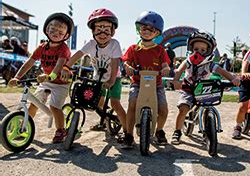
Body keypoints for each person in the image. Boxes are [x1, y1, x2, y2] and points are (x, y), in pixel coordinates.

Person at [61, 8, 127, 139]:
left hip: (114, 78)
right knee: (97, 103)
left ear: (112, 31)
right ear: (93, 31)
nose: (102, 34)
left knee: (115, 104)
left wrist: (112, 81)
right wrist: (66, 67)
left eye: (106, 30)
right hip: (98, 79)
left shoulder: (114, 44)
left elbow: (115, 64)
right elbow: (78, 55)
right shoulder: (91, 44)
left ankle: (127, 132)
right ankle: (105, 119)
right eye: (98, 30)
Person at [8, 13, 74, 143]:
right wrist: (17, 77)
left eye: (61, 32)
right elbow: (29, 62)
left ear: (66, 35)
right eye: (53, 29)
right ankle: (25, 127)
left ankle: (61, 130)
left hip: (61, 82)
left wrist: (51, 76)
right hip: (46, 81)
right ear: (46, 29)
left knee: (55, 107)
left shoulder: (63, 49)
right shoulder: (42, 47)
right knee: (34, 103)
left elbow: (59, 66)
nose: (56, 33)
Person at [171, 30, 240, 144]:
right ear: (191, 49)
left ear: (209, 51)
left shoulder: (210, 64)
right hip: (188, 87)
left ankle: (207, 131)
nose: (199, 52)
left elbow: (223, 72)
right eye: (196, 49)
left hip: (202, 89)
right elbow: (179, 71)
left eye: (203, 50)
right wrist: (176, 80)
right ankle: (177, 131)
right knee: (183, 108)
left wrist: (233, 79)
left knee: (207, 106)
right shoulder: (188, 61)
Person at [121, 11, 170, 148]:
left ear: (157, 33)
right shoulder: (133, 49)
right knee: (132, 103)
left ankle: (159, 131)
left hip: (157, 84)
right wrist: (127, 66)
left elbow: (165, 64)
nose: (147, 31)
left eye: (151, 29)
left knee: (163, 108)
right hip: (137, 83)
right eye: (144, 28)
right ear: (139, 30)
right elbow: (126, 61)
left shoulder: (160, 50)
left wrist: (165, 69)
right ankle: (129, 135)